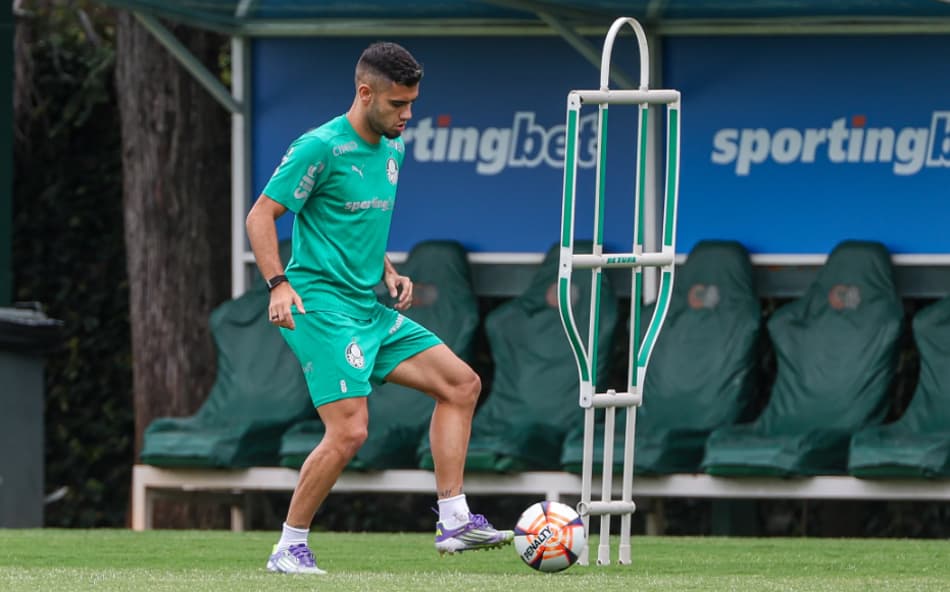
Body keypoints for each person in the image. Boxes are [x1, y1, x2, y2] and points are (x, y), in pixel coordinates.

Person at [245, 41, 513, 575]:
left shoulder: (392, 147)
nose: (408, 115)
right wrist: (277, 284)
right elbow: (261, 216)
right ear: (365, 93)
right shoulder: (318, 147)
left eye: (412, 103)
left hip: (368, 307)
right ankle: (288, 547)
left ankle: (454, 519)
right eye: (398, 104)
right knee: (349, 431)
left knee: (461, 385)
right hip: (317, 306)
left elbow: (353, 223)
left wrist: (386, 269)